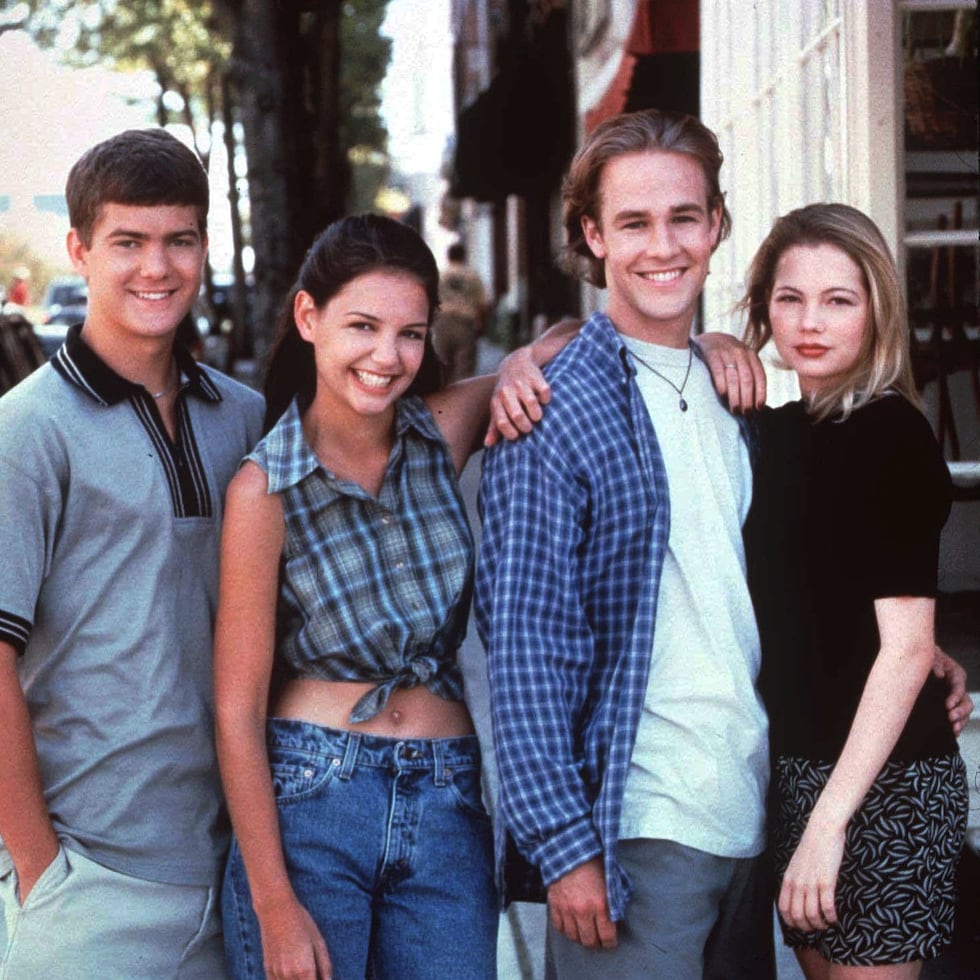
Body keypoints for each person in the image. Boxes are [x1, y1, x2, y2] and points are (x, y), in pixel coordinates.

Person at [213, 213, 567, 980]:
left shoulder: (438, 432)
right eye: (362, 326)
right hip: (314, 805)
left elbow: (576, 343)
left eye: (411, 333)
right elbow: (236, 711)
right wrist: (274, 904)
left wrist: (518, 366)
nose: (387, 355)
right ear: (309, 318)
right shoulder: (263, 488)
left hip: (447, 803)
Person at [475, 108, 777, 979]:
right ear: (592, 235)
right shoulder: (551, 411)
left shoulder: (735, 395)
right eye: (634, 223)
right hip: (634, 831)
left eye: (684, 217)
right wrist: (566, 846)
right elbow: (527, 644)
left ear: (717, 224)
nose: (663, 246)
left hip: (749, 812)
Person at [0, 129, 264, 977]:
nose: (157, 267)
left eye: (178, 240)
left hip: (233, 874)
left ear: (202, 245)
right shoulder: (26, 430)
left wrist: (521, 368)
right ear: (78, 249)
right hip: (90, 882)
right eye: (128, 242)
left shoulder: (244, 417)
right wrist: (42, 873)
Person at [741, 204, 969, 978]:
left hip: (885, 785)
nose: (811, 322)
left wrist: (828, 825)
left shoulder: (889, 435)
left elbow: (903, 654)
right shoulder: (775, 434)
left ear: (877, 309)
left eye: (839, 299)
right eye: (789, 298)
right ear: (763, 306)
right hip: (797, 771)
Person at [431, 242, 488, 383]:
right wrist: (481, 324)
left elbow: (431, 300)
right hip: (465, 323)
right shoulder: (473, 276)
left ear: (448, 256)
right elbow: (482, 304)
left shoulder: (440, 275)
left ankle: (441, 401)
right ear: (464, 256)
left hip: (443, 322)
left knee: (441, 365)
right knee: (464, 368)